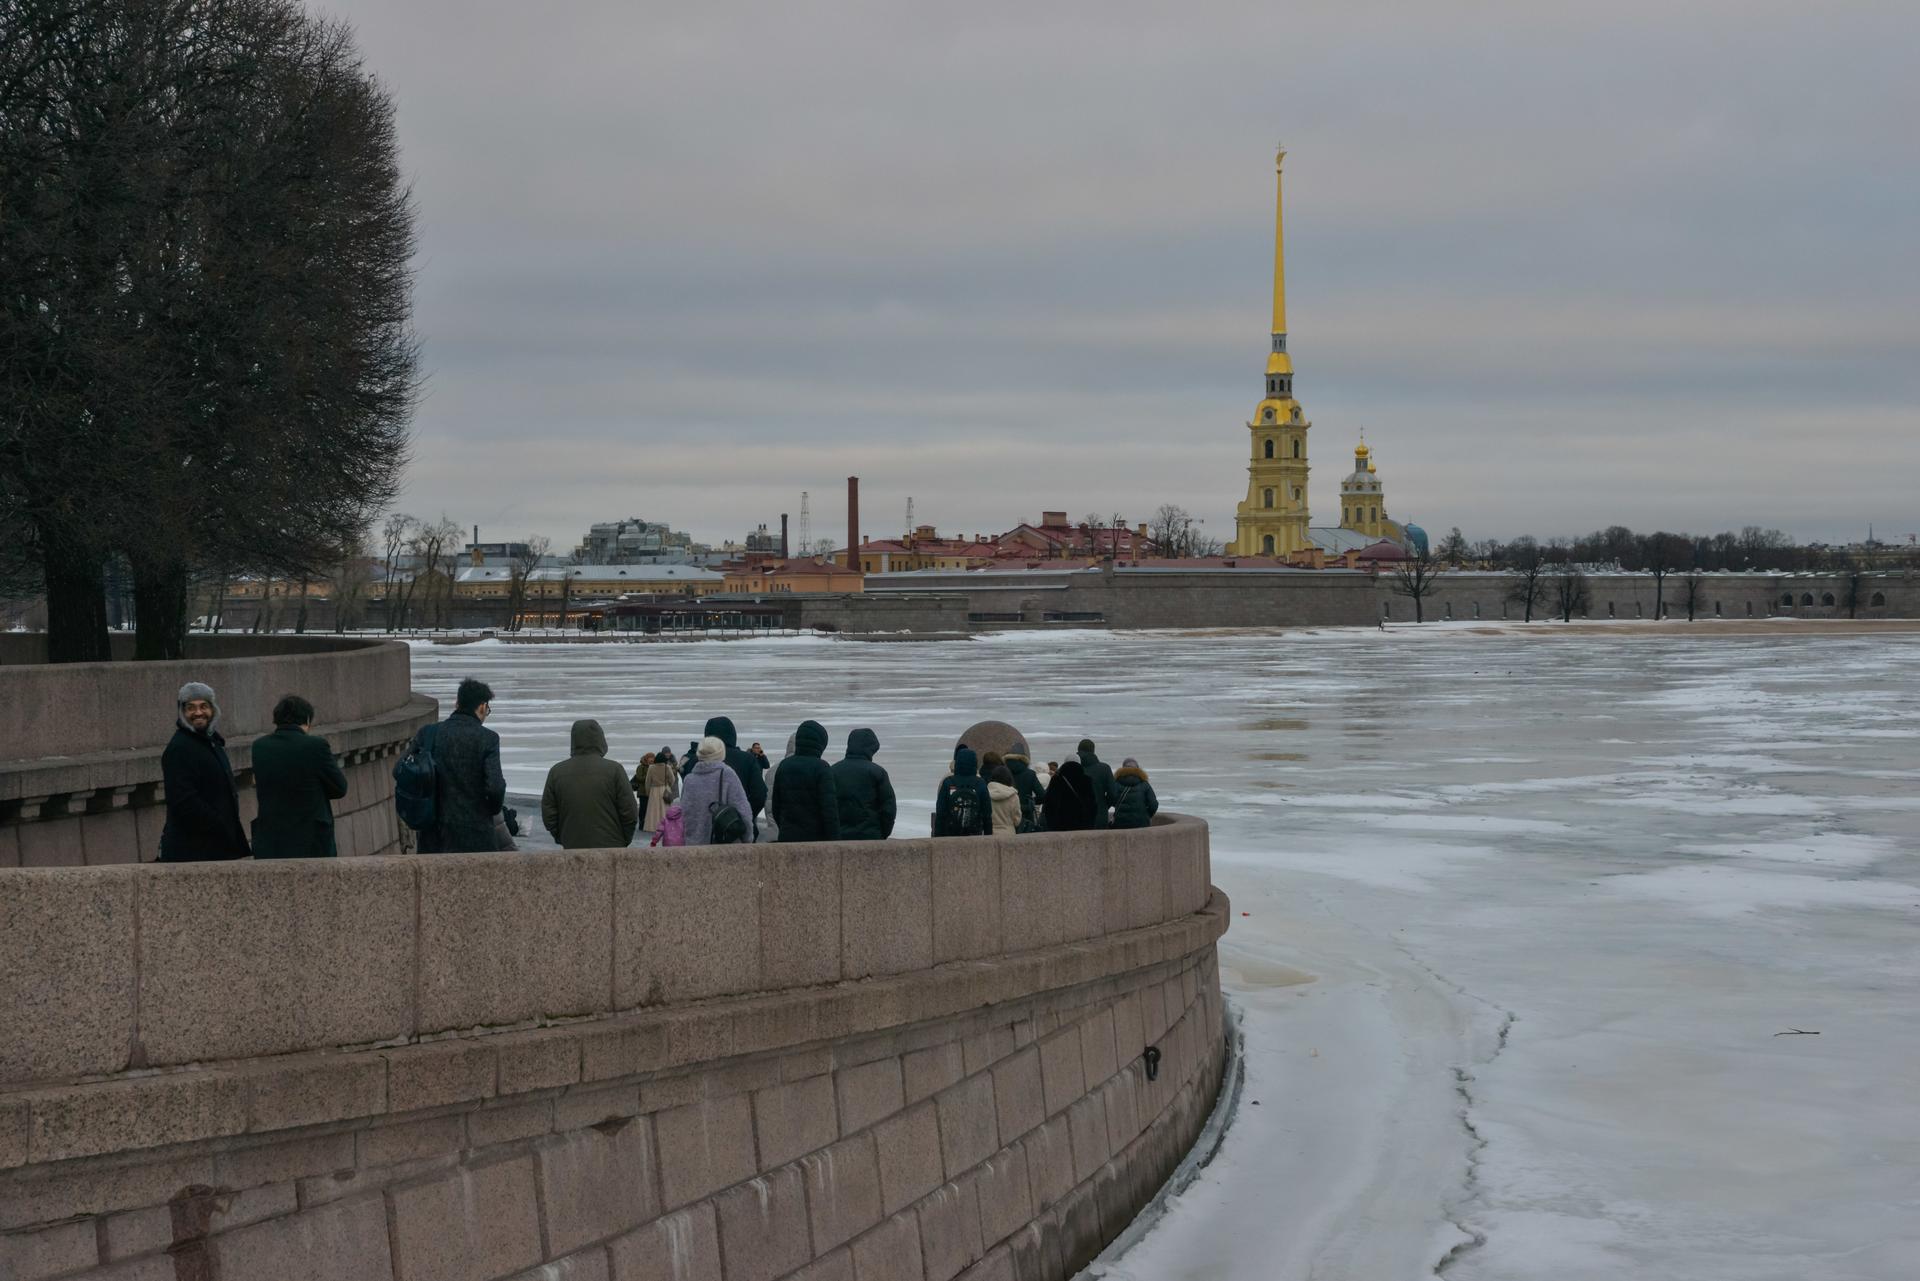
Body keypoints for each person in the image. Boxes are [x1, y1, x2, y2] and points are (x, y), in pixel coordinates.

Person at [159, 681, 250, 861]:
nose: (198, 713)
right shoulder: (180, 748)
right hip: (196, 850)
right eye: (191, 708)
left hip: (217, 844)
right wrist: (219, 824)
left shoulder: (211, 742)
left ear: (213, 709)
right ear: (182, 712)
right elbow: (184, 801)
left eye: (204, 706)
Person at [249, 694, 348, 858]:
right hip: (311, 843)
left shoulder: (259, 746)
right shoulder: (316, 746)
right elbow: (340, 788)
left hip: (272, 843)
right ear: (307, 720)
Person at [417, 677, 505, 854]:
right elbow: (495, 787)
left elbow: (400, 771)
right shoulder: (488, 738)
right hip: (476, 834)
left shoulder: (428, 734)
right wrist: (490, 811)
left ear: (457, 703)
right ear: (482, 707)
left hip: (433, 835)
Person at [540, 719, 638, 849]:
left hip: (572, 845)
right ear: (600, 740)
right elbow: (630, 812)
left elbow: (549, 814)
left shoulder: (556, 772)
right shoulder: (614, 770)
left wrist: (562, 836)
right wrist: (623, 839)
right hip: (612, 846)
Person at [770, 720, 840, 843]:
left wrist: (785, 828)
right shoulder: (822, 768)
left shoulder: (784, 766)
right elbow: (829, 810)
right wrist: (834, 840)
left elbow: (776, 805)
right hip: (816, 839)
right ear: (820, 744)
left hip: (787, 837)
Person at [679, 735, 753, 846]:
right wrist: (748, 839)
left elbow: (685, 815)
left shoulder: (689, 779)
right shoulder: (727, 775)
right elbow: (743, 811)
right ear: (721, 753)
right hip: (723, 847)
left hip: (694, 847)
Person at [703, 716, 768, 835]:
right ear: (732, 735)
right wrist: (742, 818)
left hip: (704, 833)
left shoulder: (698, 761)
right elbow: (760, 794)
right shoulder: (747, 760)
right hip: (738, 832)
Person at [832, 727, 896, 840]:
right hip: (871, 836)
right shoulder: (878, 772)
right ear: (870, 749)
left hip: (839, 836)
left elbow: (827, 805)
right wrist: (882, 833)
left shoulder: (833, 771)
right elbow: (888, 808)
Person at [933, 747, 992, 837]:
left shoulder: (948, 782)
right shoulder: (980, 783)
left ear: (957, 763)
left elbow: (940, 813)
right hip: (974, 835)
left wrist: (937, 837)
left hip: (950, 835)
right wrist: (989, 836)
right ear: (975, 764)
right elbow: (987, 814)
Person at [1042, 758, 1097, 832]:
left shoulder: (1056, 780)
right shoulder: (1087, 780)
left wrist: (1051, 824)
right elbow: (1092, 804)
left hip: (1060, 826)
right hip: (1082, 826)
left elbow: (1049, 804)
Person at [1001, 746, 1047, 832]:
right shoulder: (1030, 774)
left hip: (1006, 816)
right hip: (1026, 817)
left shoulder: (1002, 773)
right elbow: (1043, 796)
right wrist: (1031, 801)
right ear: (1024, 759)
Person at [1076, 738, 1117, 830]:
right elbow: (1113, 795)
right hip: (1099, 817)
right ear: (1093, 751)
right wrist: (1103, 806)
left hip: (1075, 817)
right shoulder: (1104, 768)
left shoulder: (1069, 769)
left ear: (1078, 750)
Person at [1111, 757, 1160, 829]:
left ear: (1123, 768)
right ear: (1138, 769)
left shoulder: (1116, 783)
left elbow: (1111, 799)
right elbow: (1153, 804)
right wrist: (1146, 816)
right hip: (1141, 823)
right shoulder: (1144, 784)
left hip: (1120, 822)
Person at [641, 746, 680, 833]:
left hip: (654, 790)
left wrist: (648, 792)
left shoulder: (651, 768)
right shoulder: (667, 767)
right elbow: (672, 779)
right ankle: (665, 826)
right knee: (664, 809)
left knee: (653, 810)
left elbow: (647, 781)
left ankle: (652, 827)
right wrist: (668, 786)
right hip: (664, 789)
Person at [987, 764, 1023, 836]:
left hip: (990, 833)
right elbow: (1017, 821)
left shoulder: (986, 793)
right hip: (1008, 833)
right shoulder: (1013, 796)